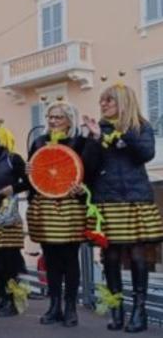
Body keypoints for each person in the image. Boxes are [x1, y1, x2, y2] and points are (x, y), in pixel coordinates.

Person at [82, 84, 163, 333]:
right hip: (107, 198)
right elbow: (88, 166)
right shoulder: (97, 129)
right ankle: (116, 307)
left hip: (135, 196)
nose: (103, 105)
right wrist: (95, 140)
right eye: (102, 101)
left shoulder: (141, 126)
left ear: (122, 102)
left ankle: (139, 311)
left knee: (138, 254)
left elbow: (146, 153)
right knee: (111, 255)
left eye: (108, 100)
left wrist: (122, 131)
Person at [26, 101, 87, 327]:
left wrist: (82, 189)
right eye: (50, 117)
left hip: (71, 208)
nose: (52, 121)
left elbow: (87, 174)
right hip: (46, 207)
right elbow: (34, 178)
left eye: (58, 117)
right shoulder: (39, 142)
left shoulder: (80, 143)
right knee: (50, 258)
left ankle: (71, 308)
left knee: (70, 259)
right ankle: (54, 306)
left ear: (69, 120)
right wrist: (29, 172)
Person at [0, 123, 28, 318]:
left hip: (7, 218)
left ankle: (12, 301)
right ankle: (1, 298)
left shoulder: (13, 159)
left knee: (9, 262)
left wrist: (12, 189)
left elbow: (29, 180)